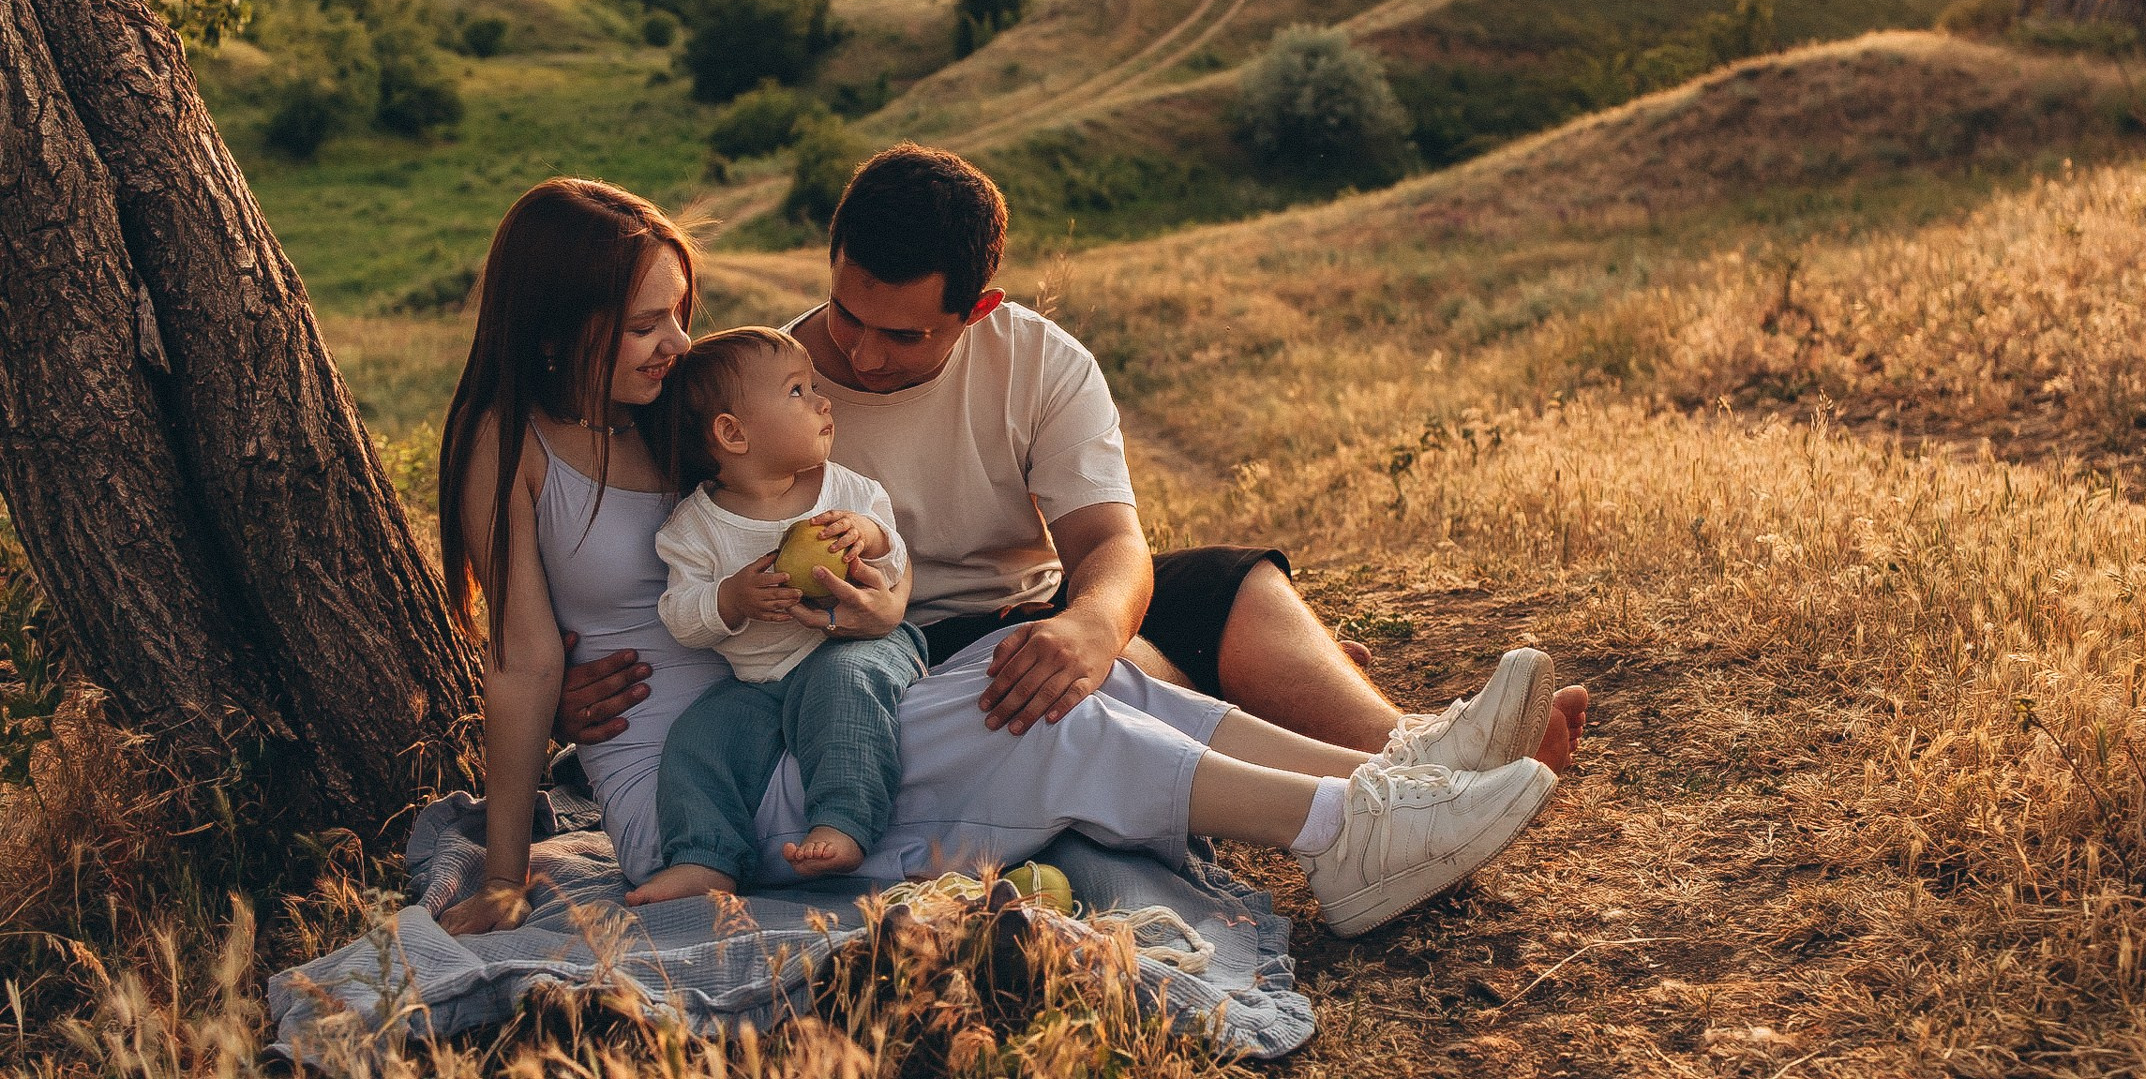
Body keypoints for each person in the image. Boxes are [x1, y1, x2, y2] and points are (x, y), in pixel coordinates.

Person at [434, 177, 1562, 942]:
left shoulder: (685, 408)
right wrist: (505, 870)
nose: (678, 344)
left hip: (804, 707)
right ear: (557, 327)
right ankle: (1344, 831)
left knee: (1068, 669)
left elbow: (797, 524)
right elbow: (525, 663)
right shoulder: (511, 441)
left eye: (681, 315)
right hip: (703, 796)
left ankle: (1389, 786)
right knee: (1038, 711)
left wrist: (873, 592)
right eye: (647, 325)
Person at [554, 145, 1587, 765]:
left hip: (1032, 609)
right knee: (1096, 668)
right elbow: (668, 559)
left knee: (1232, 584)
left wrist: (1091, 623)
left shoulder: (1040, 361)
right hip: (897, 649)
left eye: (904, 334)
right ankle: (1386, 768)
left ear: (979, 310)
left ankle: (1415, 744)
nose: (859, 355)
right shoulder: (759, 392)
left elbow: (1109, 544)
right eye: (846, 312)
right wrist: (569, 687)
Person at [634, 326, 925, 900]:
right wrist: (731, 598)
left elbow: (894, 564)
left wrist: (868, 537)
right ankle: (705, 856)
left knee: (845, 690)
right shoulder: (693, 529)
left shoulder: (846, 494)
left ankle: (843, 820)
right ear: (732, 433)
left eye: (814, 386)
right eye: (798, 390)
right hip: (760, 680)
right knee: (697, 740)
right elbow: (681, 617)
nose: (823, 401)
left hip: (856, 646)